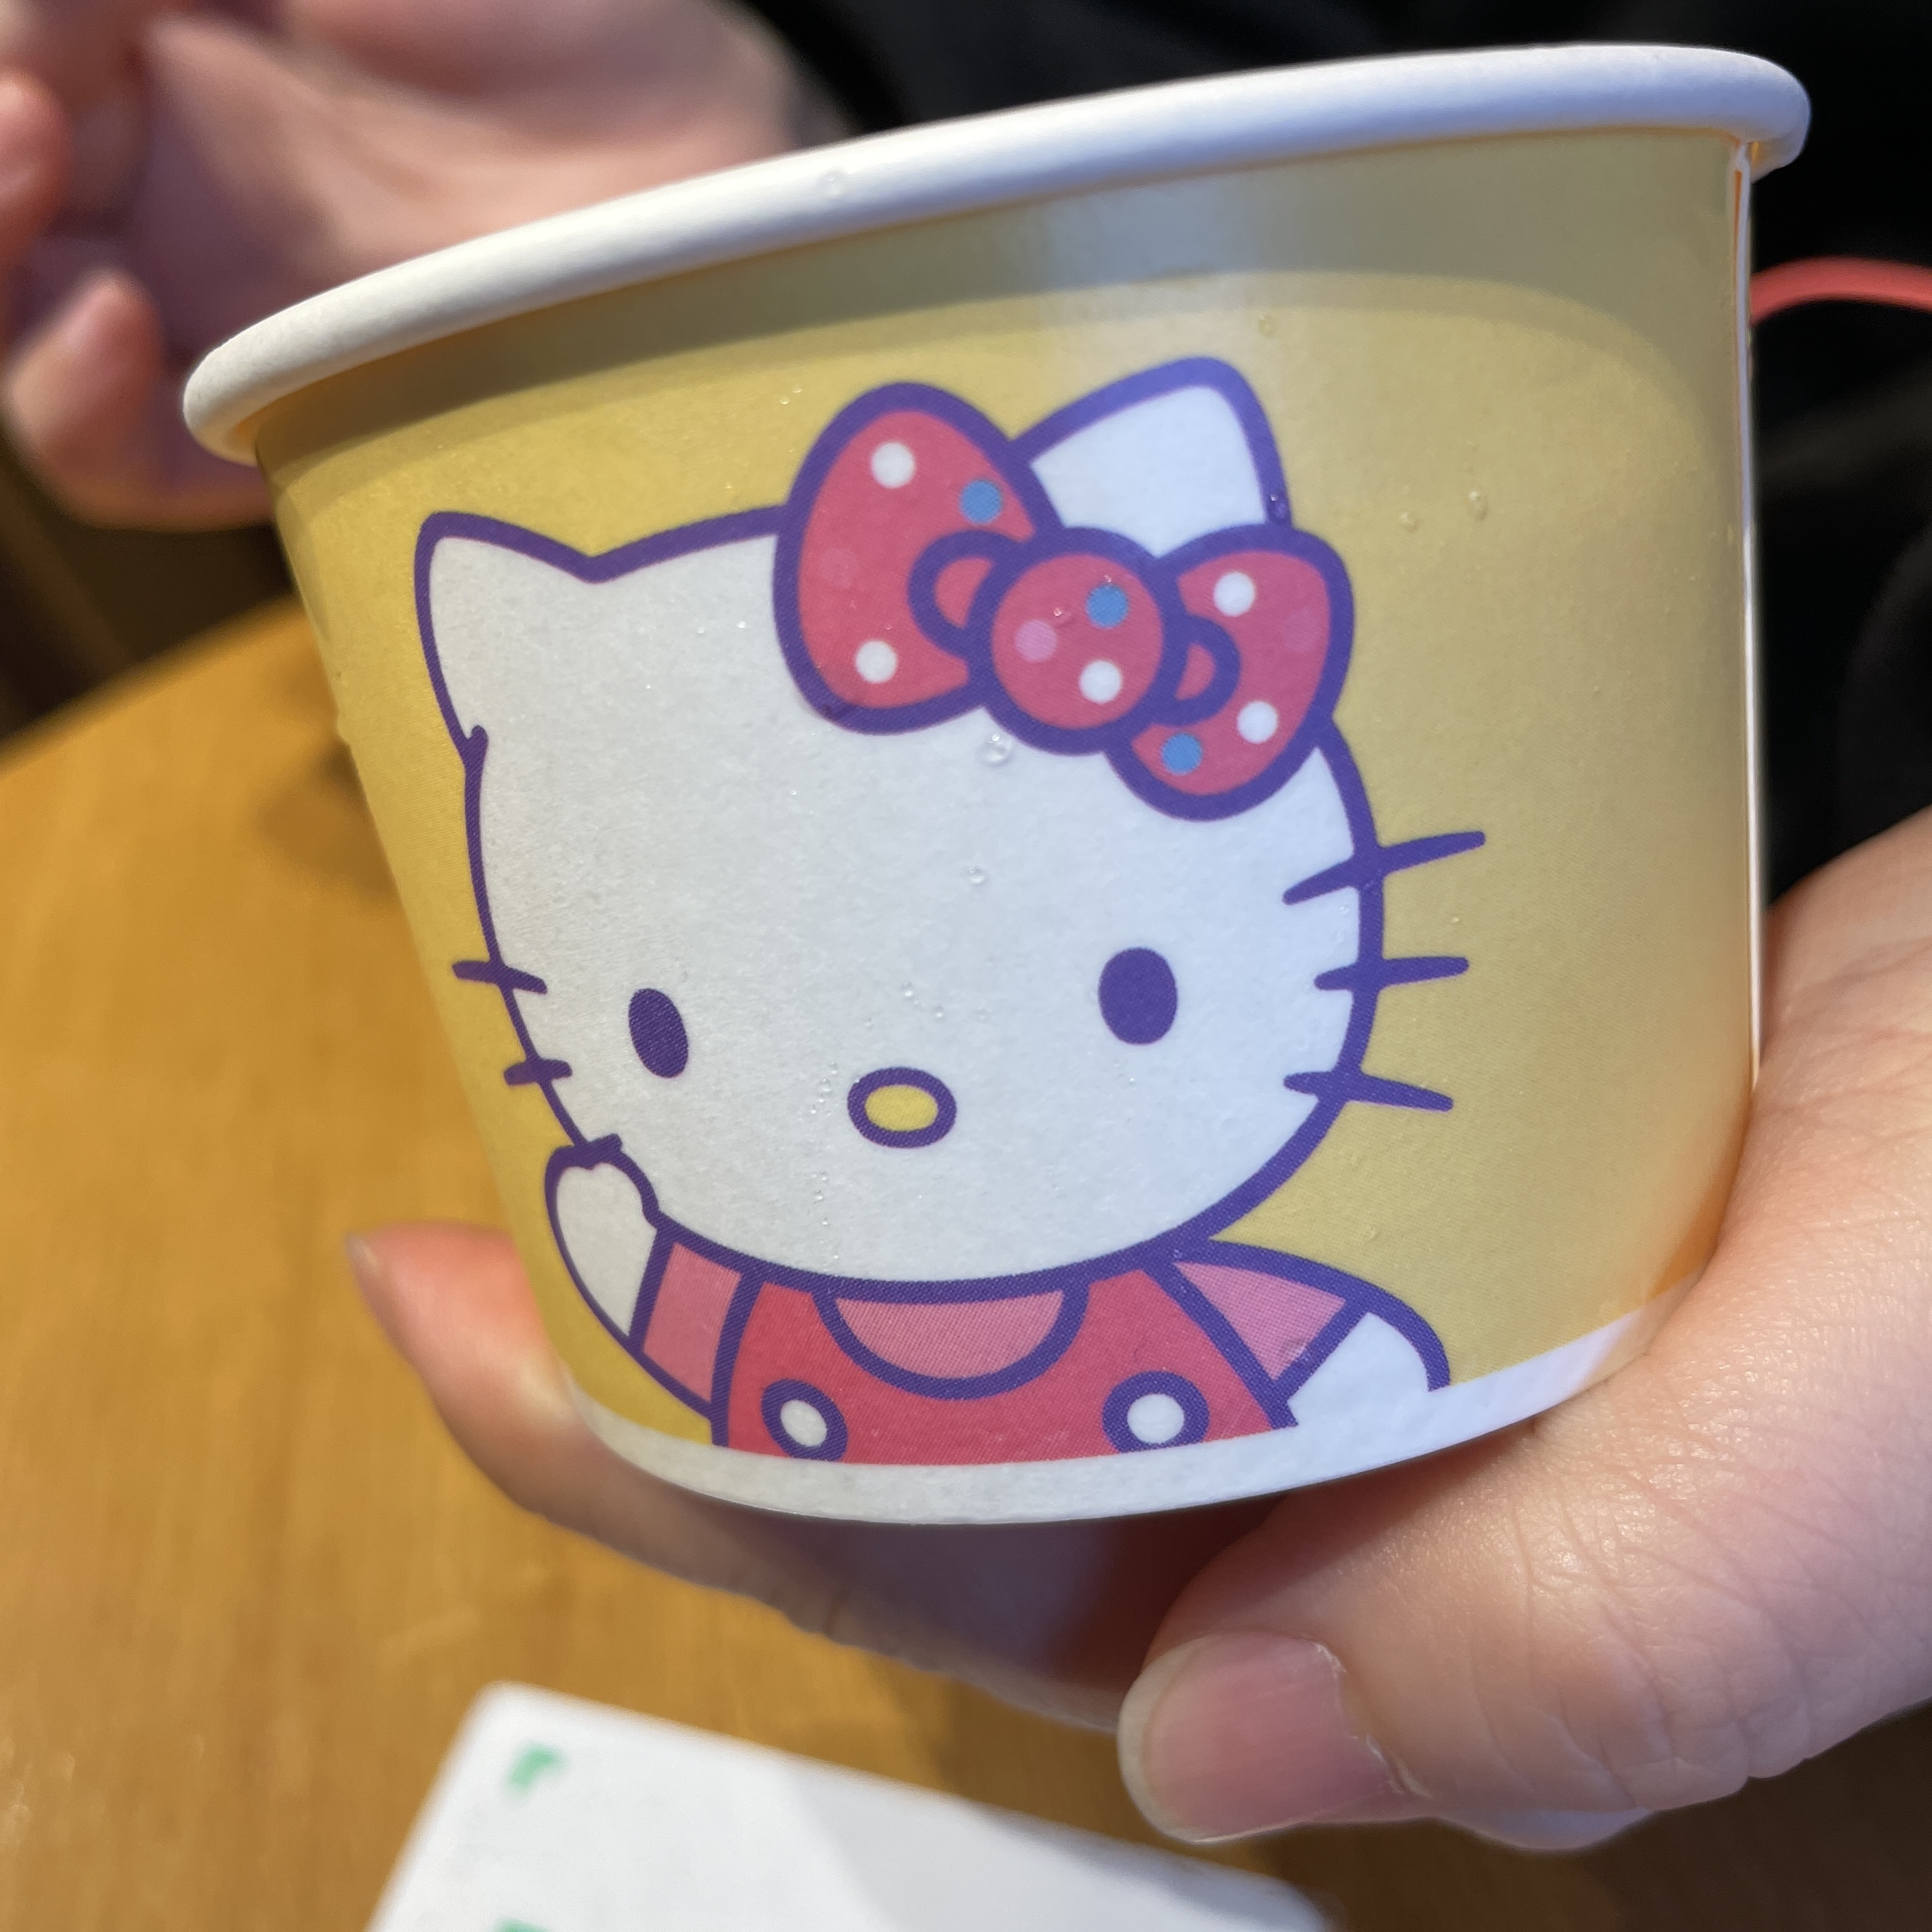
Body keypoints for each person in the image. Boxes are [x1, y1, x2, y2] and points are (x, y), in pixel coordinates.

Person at [5, 0, 1932, 1855]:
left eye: (1135, 989)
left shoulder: (1242, 1325)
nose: (903, 1098)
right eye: (657, 1031)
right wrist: (803, 154)